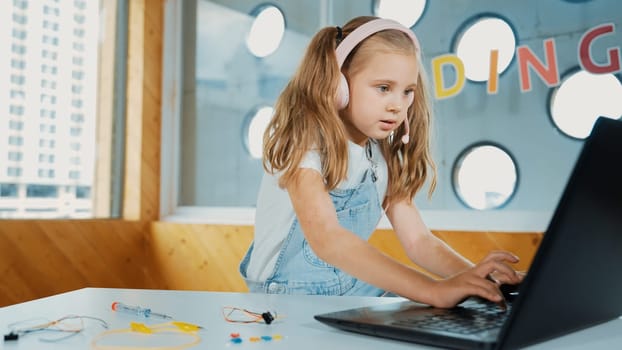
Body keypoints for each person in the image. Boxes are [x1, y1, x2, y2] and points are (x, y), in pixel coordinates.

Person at [239, 16, 522, 308]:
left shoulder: (379, 154)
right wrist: (434, 291)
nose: (397, 105)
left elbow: (419, 242)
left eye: (407, 92)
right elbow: (328, 239)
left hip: (349, 285)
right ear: (338, 85)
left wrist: (480, 281)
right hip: (284, 295)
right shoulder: (304, 144)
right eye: (383, 88)